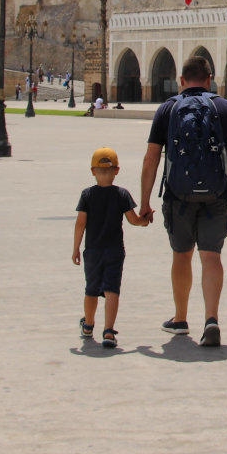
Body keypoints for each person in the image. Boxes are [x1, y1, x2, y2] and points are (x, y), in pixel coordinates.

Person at [139, 56, 227, 347]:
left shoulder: (168, 108)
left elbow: (152, 158)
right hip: (216, 194)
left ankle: (179, 318)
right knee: (211, 256)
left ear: (181, 80)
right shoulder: (224, 106)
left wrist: (145, 202)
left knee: (182, 255)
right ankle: (211, 318)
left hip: (178, 195)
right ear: (210, 78)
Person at [72, 147, 153, 349]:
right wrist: (145, 221)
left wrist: (75, 248)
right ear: (117, 170)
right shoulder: (121, 194)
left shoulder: (87, 195)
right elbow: (133, 220)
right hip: (115, 251)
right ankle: (109, 331)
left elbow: (80, 223)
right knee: (112, 290)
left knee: (91, 289)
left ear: (92, 170)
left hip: (92, 250)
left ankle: (88, 325)